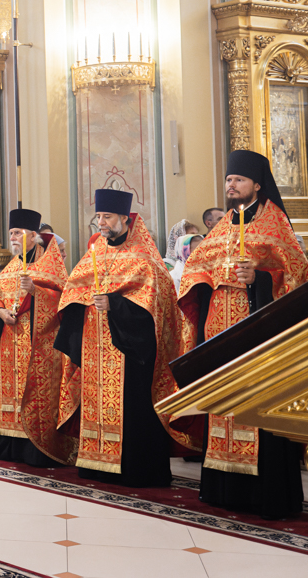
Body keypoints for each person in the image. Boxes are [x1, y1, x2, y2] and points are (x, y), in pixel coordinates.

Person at [178, 151, 308, 518]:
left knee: (256, 406)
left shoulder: (274, 223)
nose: (230, 185)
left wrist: (260, 279)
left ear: (256, 184)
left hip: (259, 335)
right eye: (228, 180)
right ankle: (223, 490)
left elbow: (298, 280)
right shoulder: (222, 228)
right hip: (220, 330)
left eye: (237, 180)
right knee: (223, 406)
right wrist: (203, 284)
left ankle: (263, 495)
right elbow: (195, 268)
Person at [55, 189, 196, 487]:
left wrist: (116, 305)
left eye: (107, 217)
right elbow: (73, 289)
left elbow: (156, 308)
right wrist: (84, 303)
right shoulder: (96, 251)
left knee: (133, 409)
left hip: (131, 352)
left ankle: (135, 469)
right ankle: (97, 464)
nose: (102, 222)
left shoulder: (145, 258)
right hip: (95, 347)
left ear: (125, 218)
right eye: (99, 217)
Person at [0, 211, 75, 467]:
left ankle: (38, 449)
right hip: (10, 344)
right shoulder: (11, 266)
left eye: (17, 233)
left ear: (33, 235)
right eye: (10, 233)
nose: (13, 238)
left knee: (37, 396)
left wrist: (37, 292)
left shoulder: (50, 266)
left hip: (40, 346)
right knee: (9, 396)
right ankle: (10, 446)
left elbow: (63, 300)